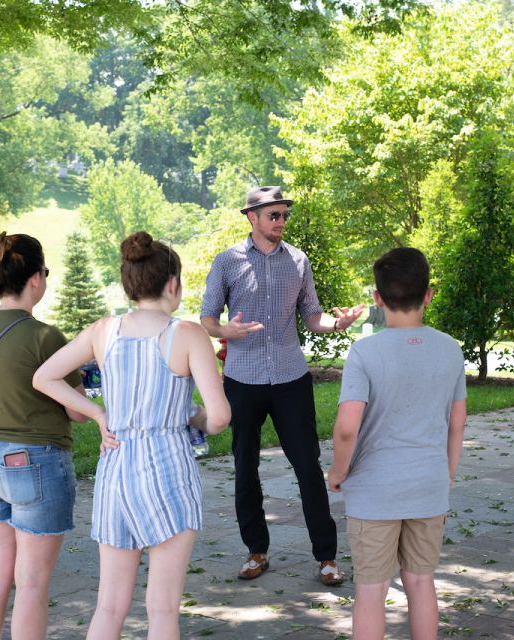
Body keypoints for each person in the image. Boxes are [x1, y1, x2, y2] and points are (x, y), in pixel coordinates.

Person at [34, 231, 230, 640]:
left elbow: (44, 377)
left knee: (109, 605)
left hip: (117, 468)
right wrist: (191, 415)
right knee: (161, 611)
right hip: (167, 471)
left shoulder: (104, 330)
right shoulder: (189, 334)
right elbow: (219, 417)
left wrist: (96, 412)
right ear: (172, 284)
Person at [200, 185, 365, 585]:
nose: (281, 222)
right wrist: (226, 331)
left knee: (308, 467)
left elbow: (312, 316)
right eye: (273, 215)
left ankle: (326, 557)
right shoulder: (227, 261)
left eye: (284, 215)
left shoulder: (298, 261)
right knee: (246, 468)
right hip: (244, 378)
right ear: (251, 217)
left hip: (291, 377)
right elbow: (206, 318)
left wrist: (336, 324)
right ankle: (256, 552)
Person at [327, 247, 467, 640]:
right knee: (421, 583)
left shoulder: (364, 352)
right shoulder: (450, 349)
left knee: (371, 590)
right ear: (428, 295)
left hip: (374, 490)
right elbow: (457, 423)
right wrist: (447, 473)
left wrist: (338, 473)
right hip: (429, 483)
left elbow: (346, 429)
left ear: (377, 298)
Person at [0, 232, 90, 640]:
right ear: (36, 278)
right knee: (32, 584)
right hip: (35, 463)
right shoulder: (44, 336)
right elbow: (77, 411)